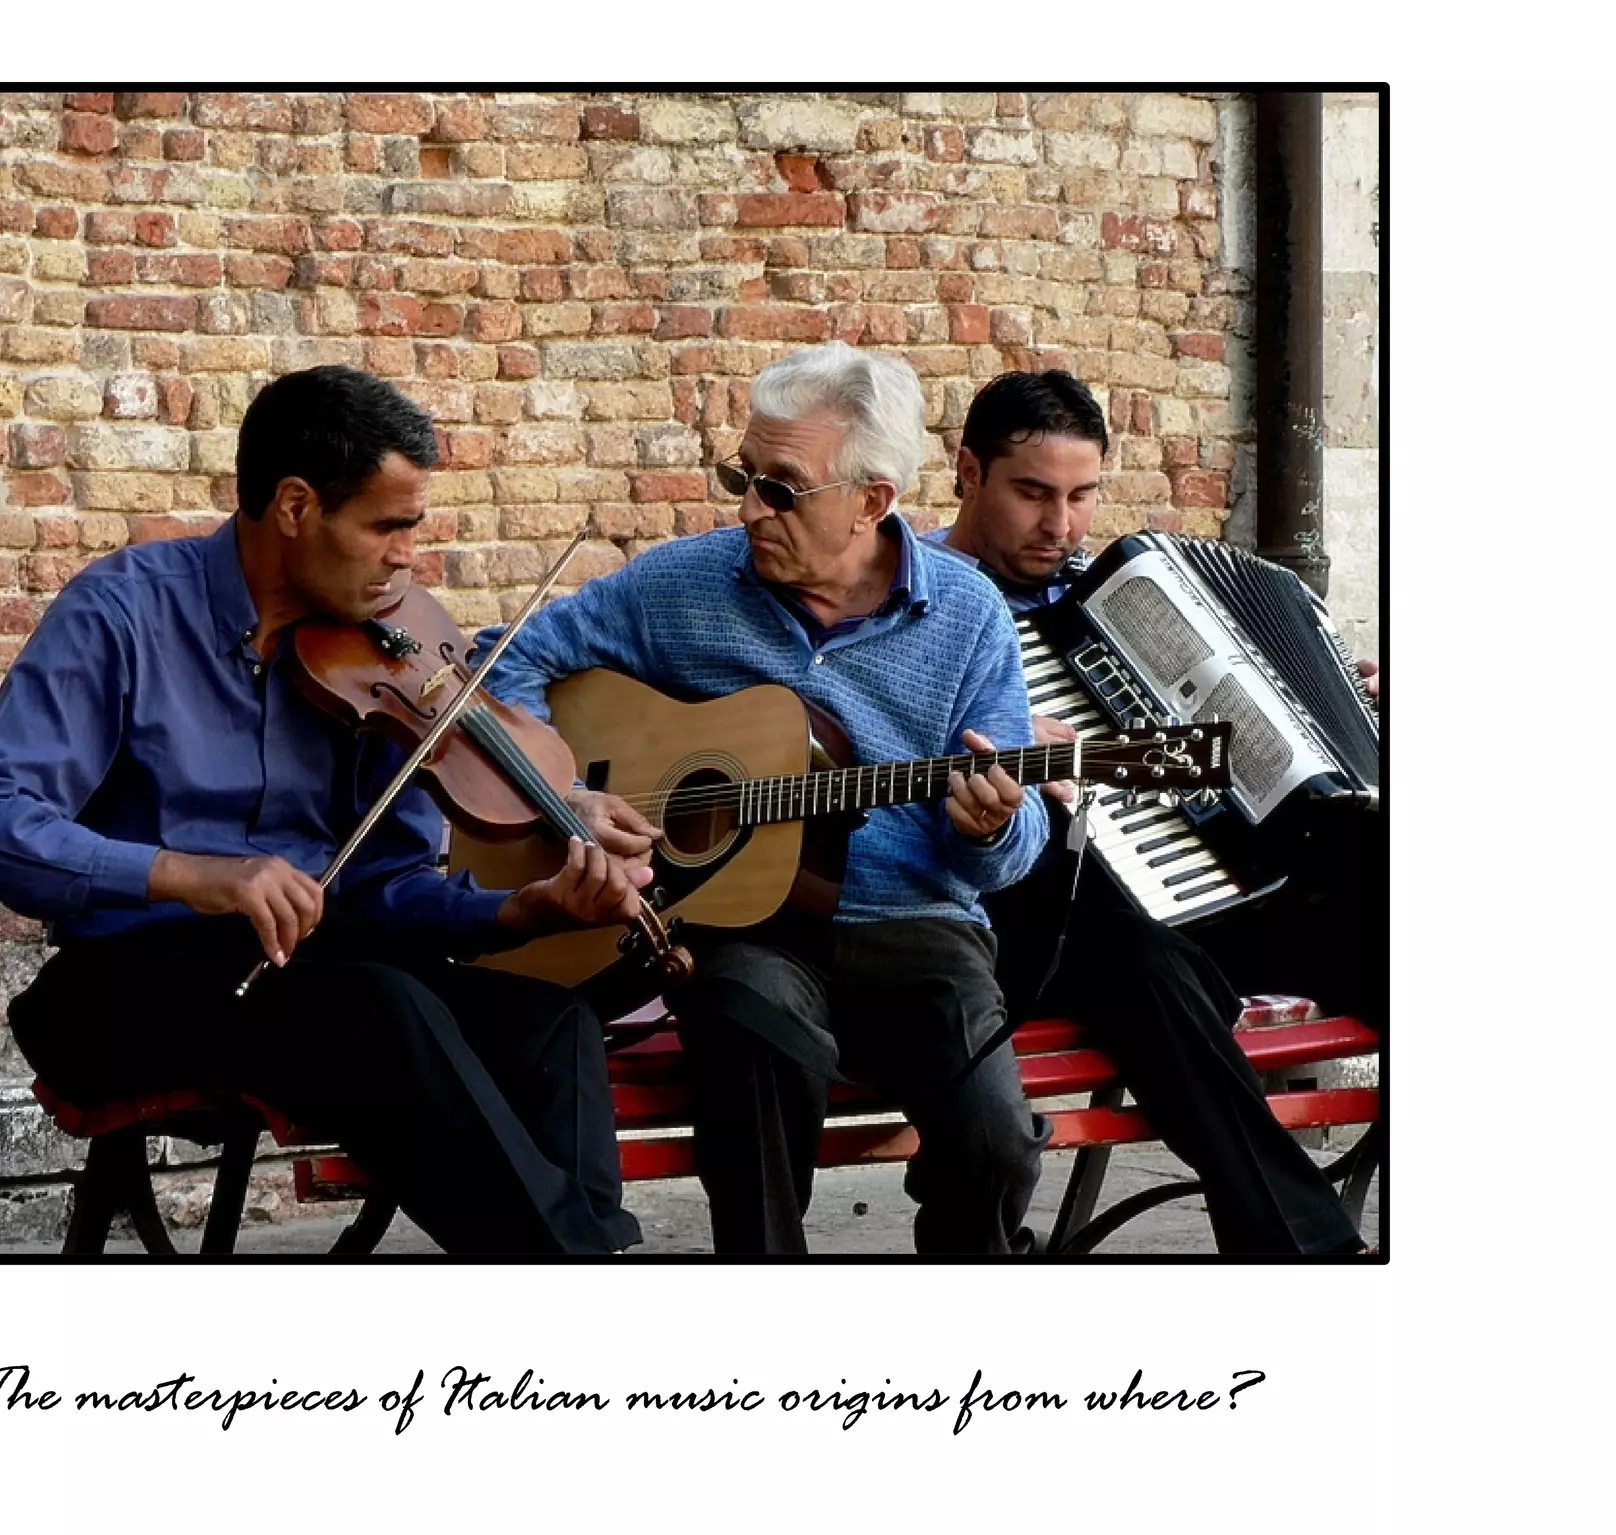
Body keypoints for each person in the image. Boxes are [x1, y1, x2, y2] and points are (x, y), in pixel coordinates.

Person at [0, 364, 656, 1256]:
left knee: (549, 1025)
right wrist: (194, 874)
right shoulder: (121, 612)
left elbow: (383, 888)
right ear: (297, 506)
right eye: (387, 526)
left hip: (316, 977)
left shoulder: (377, 658)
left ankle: (584, 1261)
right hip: (131, 981)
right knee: (381, 1007)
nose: (406, 558)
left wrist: (519, 910)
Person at [475, 340, 1051, 1255]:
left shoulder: (970, 611)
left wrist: (994, 825)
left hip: (916, 924)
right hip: (751, 928)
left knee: (994, 1141)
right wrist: (568, 791)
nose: (749, 509)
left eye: (781, 488)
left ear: (873, 501)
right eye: (744, 477)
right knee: (746, 1033)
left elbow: (1014, 849)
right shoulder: (687, 581)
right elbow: (504, 664)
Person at [927, 368, 1381, 1254]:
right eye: (1032, 494)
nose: (1061, 525)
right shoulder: (918, 594)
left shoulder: (1120, 589)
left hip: (1215, 890)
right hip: (1047, 901)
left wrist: (1364, 712)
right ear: (968, 472)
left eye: (1082, 496)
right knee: (1143, 960)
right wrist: (994, 727)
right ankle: (1313, 1254)